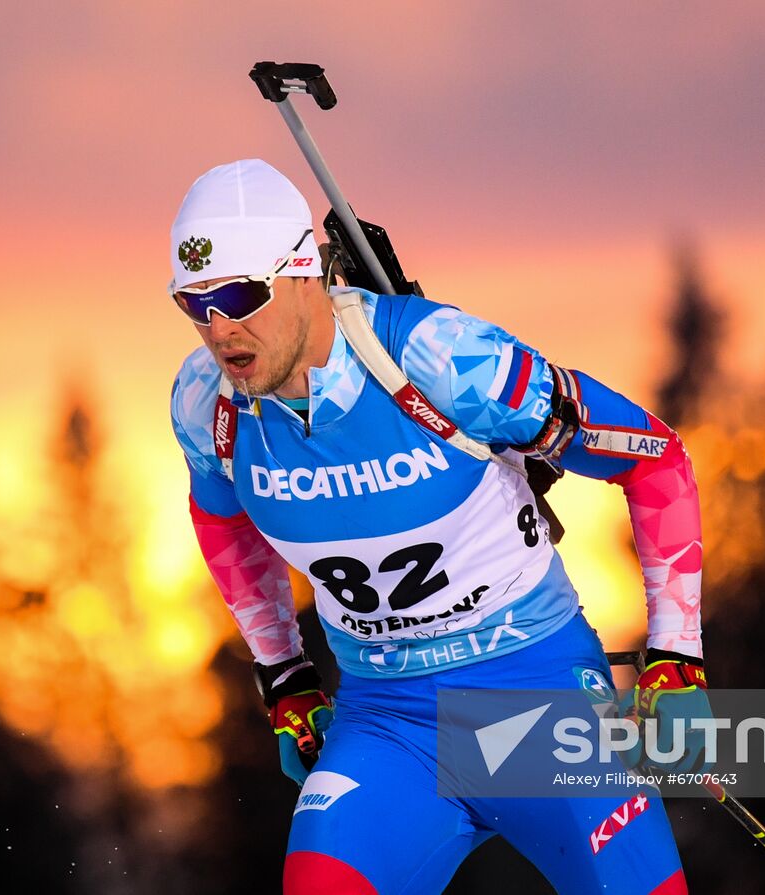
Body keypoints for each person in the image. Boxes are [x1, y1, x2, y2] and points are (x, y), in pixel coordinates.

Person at [168, 158, 707, 895]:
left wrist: (677, 655)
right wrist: (284, 676)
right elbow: (222, 521)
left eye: (238, 294)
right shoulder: (208, 405)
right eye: (193, 303)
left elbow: (653, 460)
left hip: (534, 696)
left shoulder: (441, 359)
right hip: (387, 722)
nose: (218, 328)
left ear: (302, 272)